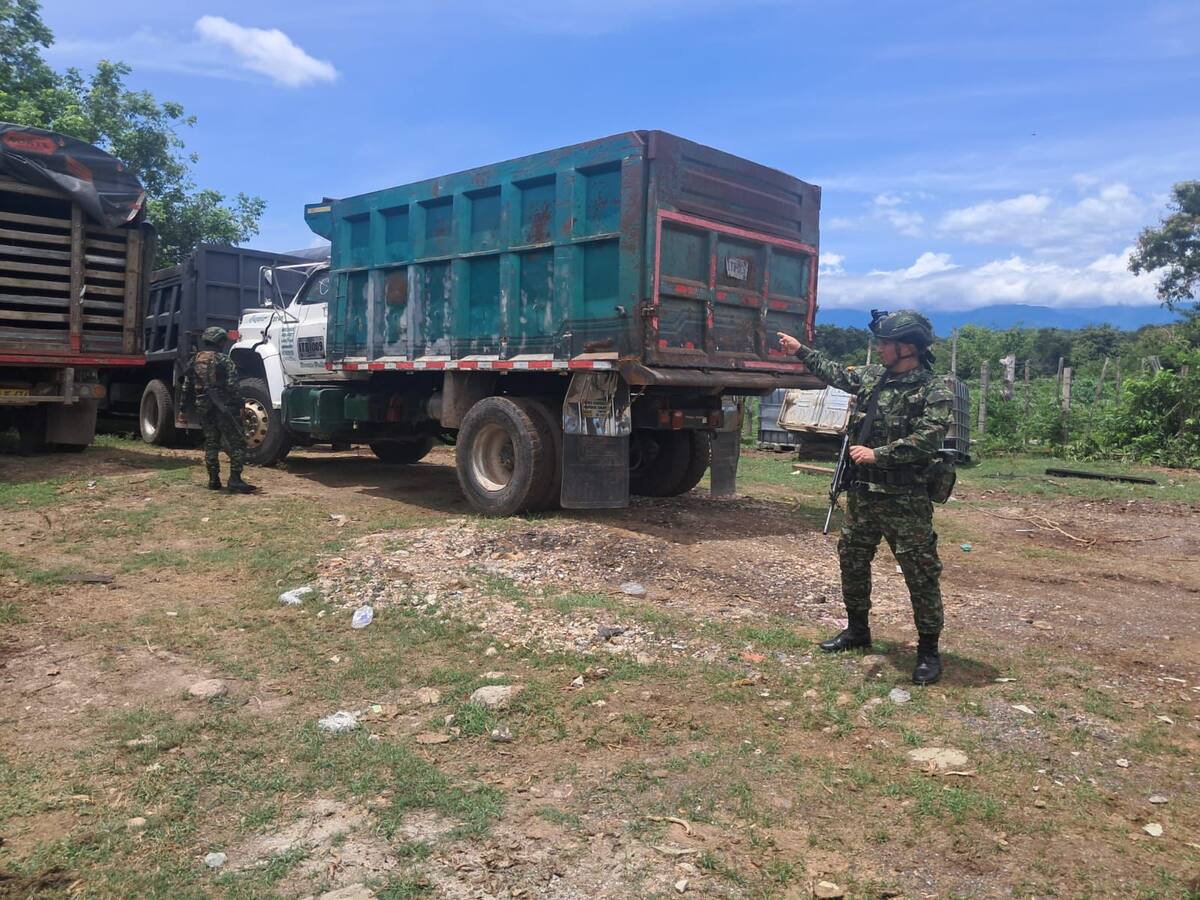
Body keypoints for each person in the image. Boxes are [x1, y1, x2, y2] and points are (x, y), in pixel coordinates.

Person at [778, 311, 952, 684]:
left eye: (886, 343)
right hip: (863, 494)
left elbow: (929, 437)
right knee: (852, 562)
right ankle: (857, 631)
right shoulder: (873, 378)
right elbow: (837, 373)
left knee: (920, 573)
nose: (880, 349)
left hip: (905, 498)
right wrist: (799, 350)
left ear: (907, 348)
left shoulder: (934, 390)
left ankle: (928, 651)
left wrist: (880, 454)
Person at [181, 326, 257, 494]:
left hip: (203, 406)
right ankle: (235, 480)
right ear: (220, 342)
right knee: (238, 443)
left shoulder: (195, 360)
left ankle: (213, 480)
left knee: (211, 443)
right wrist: (240, 404)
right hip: (224, 407)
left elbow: (186, 387)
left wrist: (183, 410)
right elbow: (233, 386)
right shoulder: (224, 360)